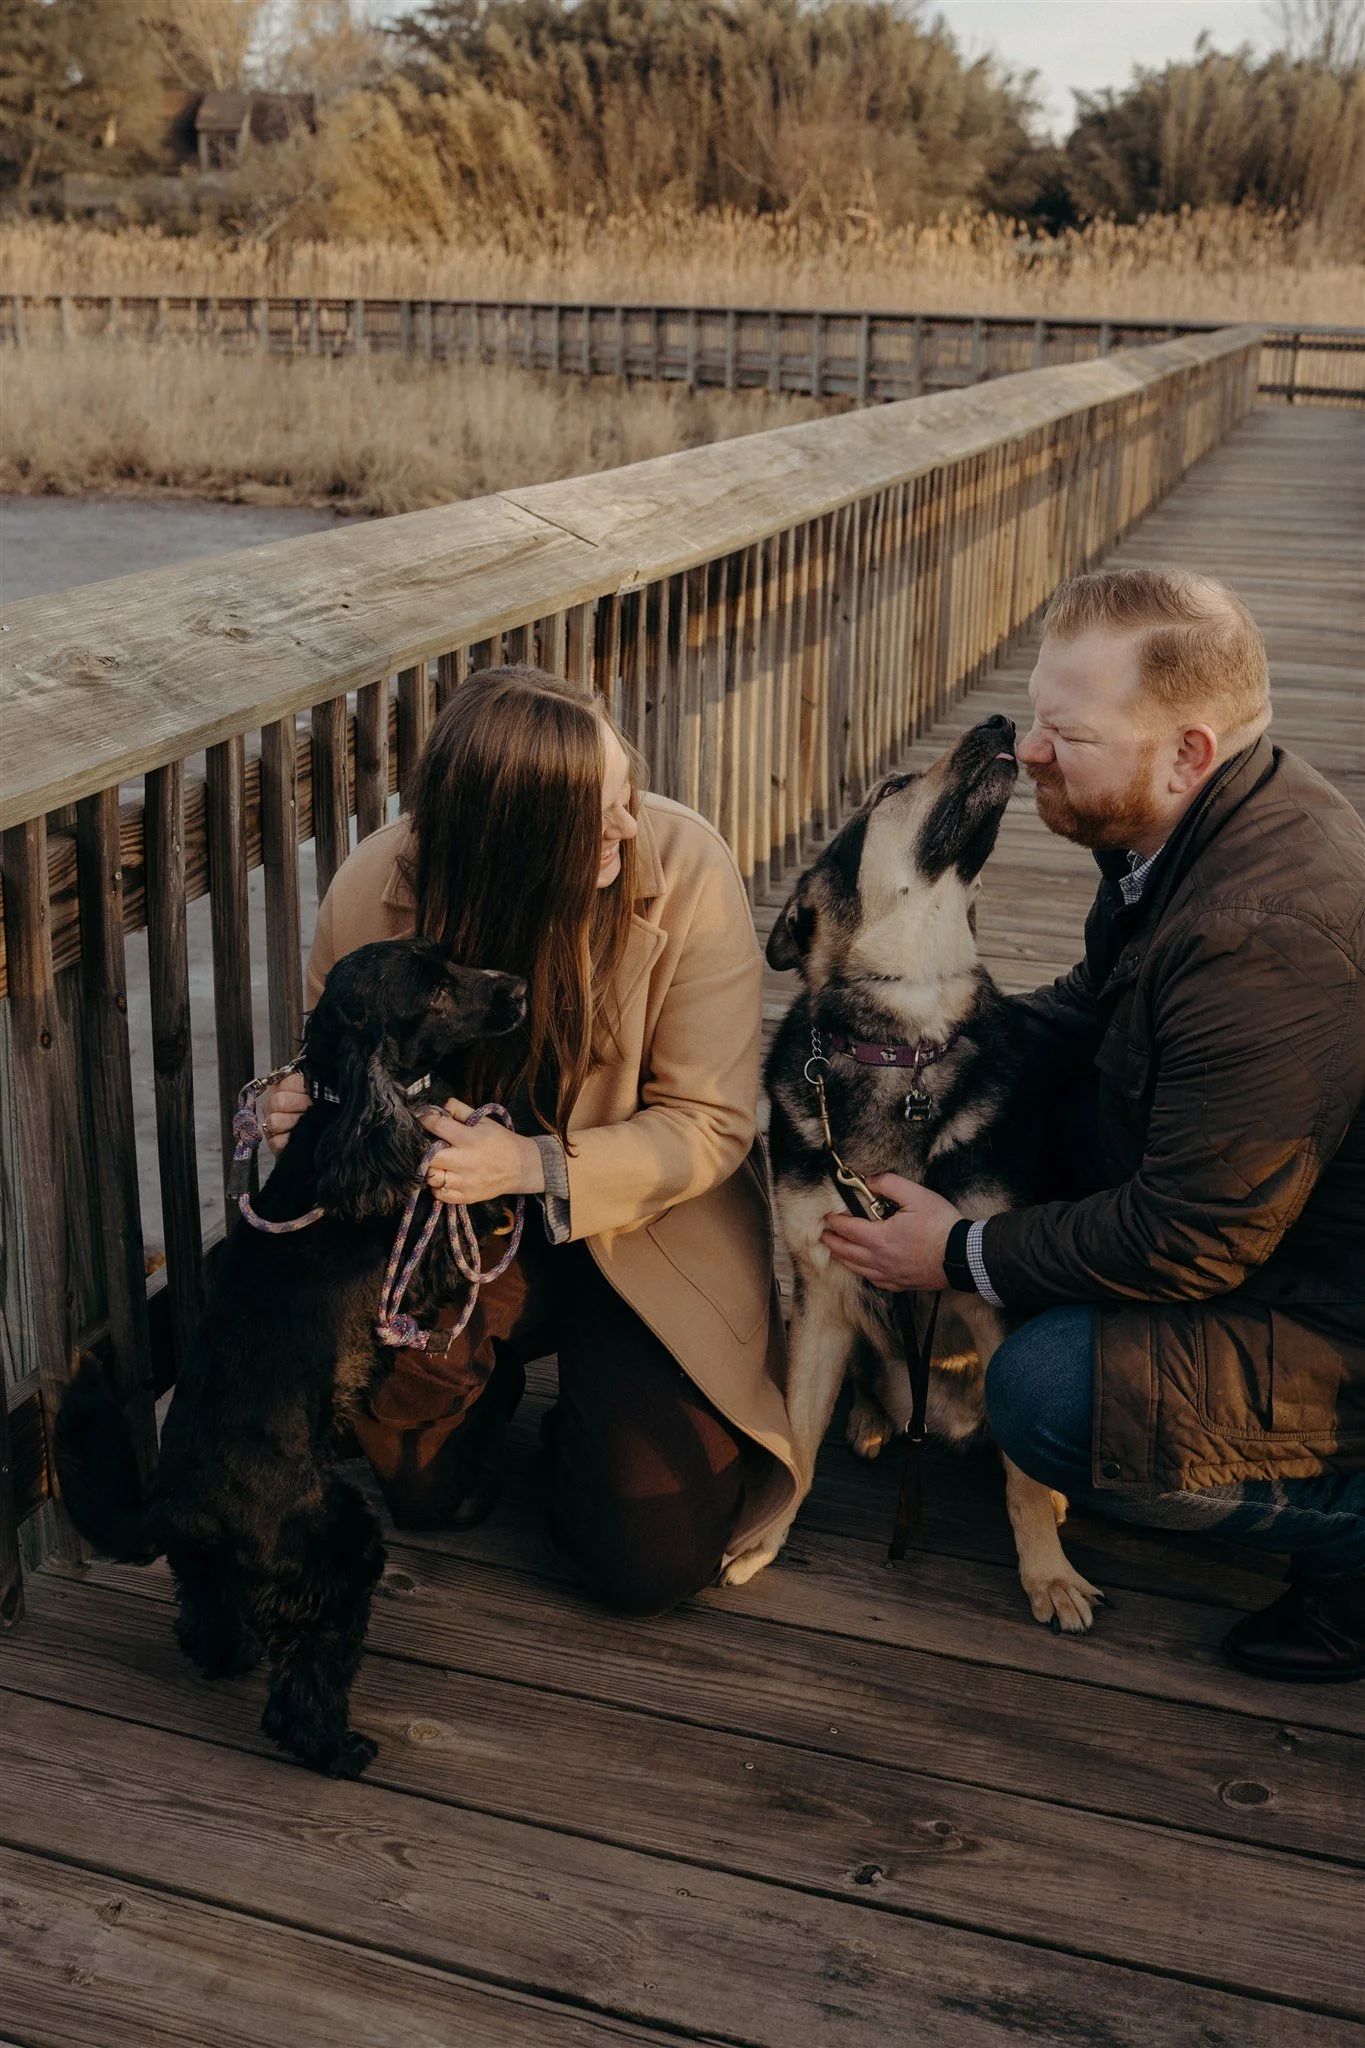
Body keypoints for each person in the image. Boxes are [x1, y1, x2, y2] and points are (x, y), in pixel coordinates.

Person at [822, 569, 1365, 1681]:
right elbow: (1092, 1009)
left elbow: (1190, 1236)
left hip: (1328, 1319)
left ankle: (1346, 1531)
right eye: (1034, 714)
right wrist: (934, 1047)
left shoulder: (1261, 940)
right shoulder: (1192, 829)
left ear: (1185, 751)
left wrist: (958, 1251)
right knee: (1024, 1102)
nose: (1025, 751)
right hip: (1252, 1213)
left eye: (1066, 730)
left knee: (1047, 1396)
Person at [265, 667, 798, 1615]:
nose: (628, 827)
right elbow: (332, 1060)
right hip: (458, 1235)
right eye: (599, 815)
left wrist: (533, 1164)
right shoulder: (372, 890)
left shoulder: (686, 872)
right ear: (512, 835)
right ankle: (488, 1373)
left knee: (648, 1562)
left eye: (626, 796)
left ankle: (596, 1420)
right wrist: (290, 1101)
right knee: (424, 1495)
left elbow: (712, 1123)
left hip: (649, 1226)